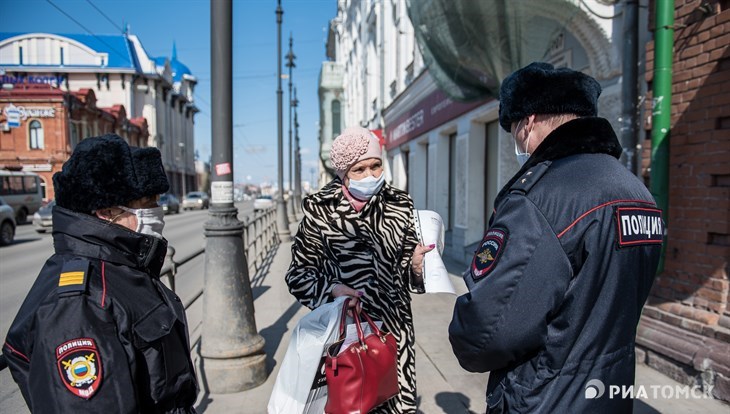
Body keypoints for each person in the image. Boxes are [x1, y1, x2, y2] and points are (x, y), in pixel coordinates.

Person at [449, 62, 663, 413]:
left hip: (545, 398)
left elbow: (487, 334)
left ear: (528, 122)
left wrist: (464, 326)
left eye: (513, 130)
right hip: (610, 391)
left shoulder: (539, 198)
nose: (517, 142)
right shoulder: (637, 191)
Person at [4, 134, 198, 413]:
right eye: (147, 204)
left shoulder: (122, 267)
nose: (159, 213)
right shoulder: (79, 306)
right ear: (106, 212)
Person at [285, 126, 433, 413]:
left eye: (376, 166)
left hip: (392, 331)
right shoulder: (320, 212)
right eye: (360, 169)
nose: (370, 175)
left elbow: (406, 267)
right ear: (343, 175)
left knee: (394, 399)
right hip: (345, 335)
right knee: (351, 402)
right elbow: (298, 274)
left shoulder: (400, 205)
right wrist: (332, 290)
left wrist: (415, 266)